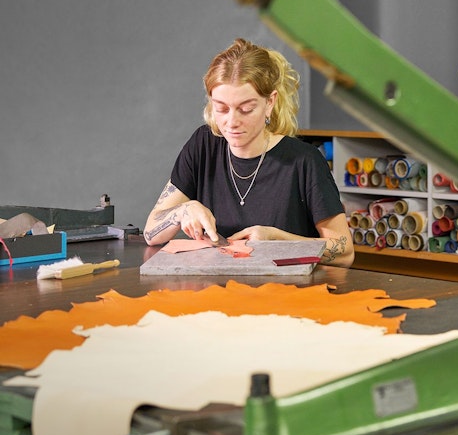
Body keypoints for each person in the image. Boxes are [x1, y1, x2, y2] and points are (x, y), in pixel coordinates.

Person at [144, 38, 354, 267]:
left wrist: (277, 239)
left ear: (269, 102)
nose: (231, 122)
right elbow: (150, 233)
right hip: (217, 292)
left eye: (246, 109)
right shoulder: (203, 145)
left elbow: (344, 252)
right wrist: (182, 211)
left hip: (285, 295)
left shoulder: (304, 161)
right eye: (221, 108)